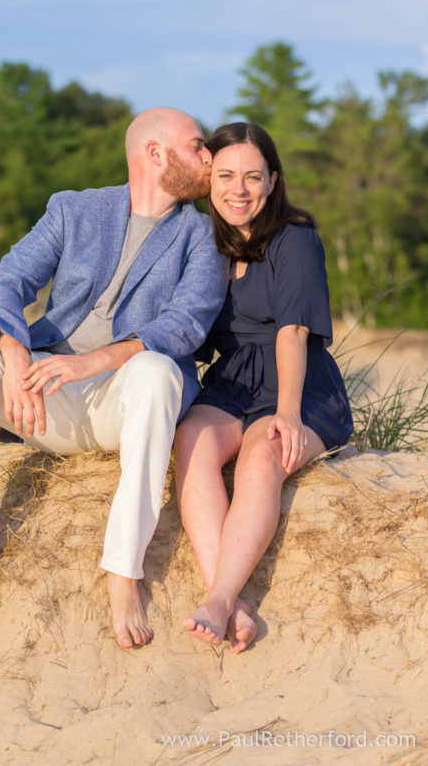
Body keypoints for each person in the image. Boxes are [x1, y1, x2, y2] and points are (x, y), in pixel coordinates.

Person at [0, 106, 230, 649]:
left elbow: (187, 322)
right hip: (44, 398)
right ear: (155, 152)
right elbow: (3, 279)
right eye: (196, 146)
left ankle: (124, 572)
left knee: (158, 369)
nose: (209, 158)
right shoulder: (74, 210)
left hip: (127, 404)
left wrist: (95, 361)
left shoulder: (202, 234)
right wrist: (15, 350)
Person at [174, 122, 353, 653]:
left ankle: (220, 597)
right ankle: (234, 603)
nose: (239, 189)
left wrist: (290, 414)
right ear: (209, 179)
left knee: (261, 457)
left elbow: (294, 331)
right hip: (231, 382)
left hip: (298, 382)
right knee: (191, 441)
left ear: (273, 181)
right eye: (226, 175)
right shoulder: (203, 240)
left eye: (253, 177)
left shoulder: (294, 237)